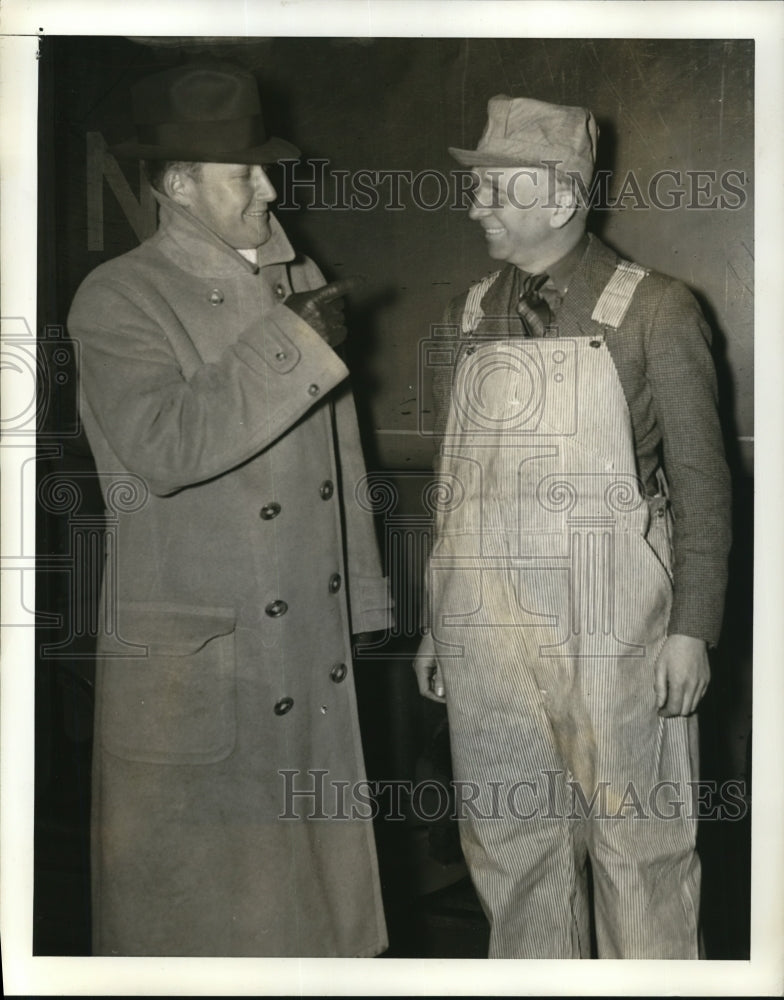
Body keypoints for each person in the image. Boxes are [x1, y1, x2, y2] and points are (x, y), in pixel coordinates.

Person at [68, 62, 391, 957]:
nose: (269, 187)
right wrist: (292, 341)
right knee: (209, 924)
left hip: (304, 640)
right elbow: (164, 448)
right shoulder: (119, 294)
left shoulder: (297, 276)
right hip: (203, 658)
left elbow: (340, 455)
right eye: (243, 173)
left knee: (314, 924)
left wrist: (363, 596)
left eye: (266, 167)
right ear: (179, 186)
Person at [413, 95, 731, 959]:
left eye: (494, 189)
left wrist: (692, 629)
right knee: (508, 843)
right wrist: (441, 622)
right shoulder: (467, 316)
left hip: (616, 617)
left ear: (558, 197)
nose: (475, 206)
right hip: (488, 620)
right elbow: (449, 487)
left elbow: (704, 486)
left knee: (640, 844)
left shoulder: (656, 310)